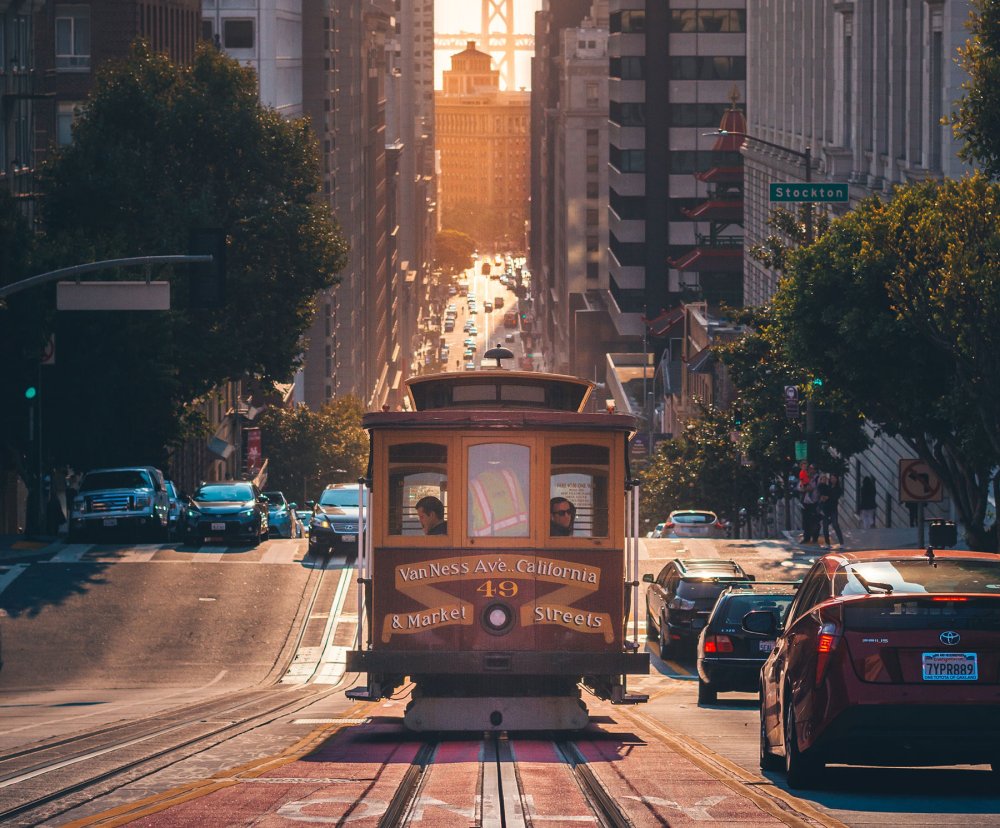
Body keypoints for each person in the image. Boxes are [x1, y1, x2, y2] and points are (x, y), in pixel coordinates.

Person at [818, 472, 845, 548]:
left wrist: (828, 497)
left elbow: (835, 497)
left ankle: (841, 543)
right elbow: (821, 491)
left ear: (837, 479)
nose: (833, 480)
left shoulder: (838, 488)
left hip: (833, 509)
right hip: (826, 509)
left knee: (835, 525)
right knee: (825, 526)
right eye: (831, 478)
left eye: (834, 478)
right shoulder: (827, 487)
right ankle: (827, 543)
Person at [798, 464, 820, 544]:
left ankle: (815, 538)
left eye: (812, 469)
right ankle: (806, 538)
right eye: (809, 469)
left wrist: (811, 488)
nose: (810, 470)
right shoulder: (804, 477)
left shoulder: (818, 478)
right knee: (805, 521)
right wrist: (803, 488)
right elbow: (799, 487)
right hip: (805, 502)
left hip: (814, 502)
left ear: (815, 470)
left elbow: (819, 488)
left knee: (814, 521)